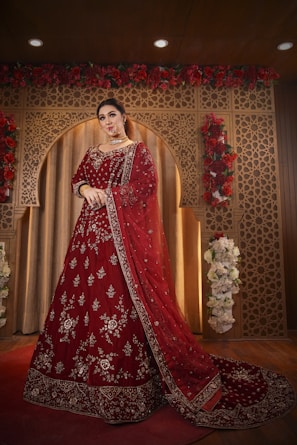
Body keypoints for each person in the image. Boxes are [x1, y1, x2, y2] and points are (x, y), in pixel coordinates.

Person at [24, 98, 295, 428]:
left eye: (112, 115)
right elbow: (77, 178)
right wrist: (83, 188)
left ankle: (126, 383)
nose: (107, 122)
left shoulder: (137, 151)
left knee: (117, 306)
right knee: (83, 304)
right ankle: (80, 376)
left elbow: (145, 187)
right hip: (87, 243)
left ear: (123, 118)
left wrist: (106, 194)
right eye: (101, 118)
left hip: (121, 244)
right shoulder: (93, 153)